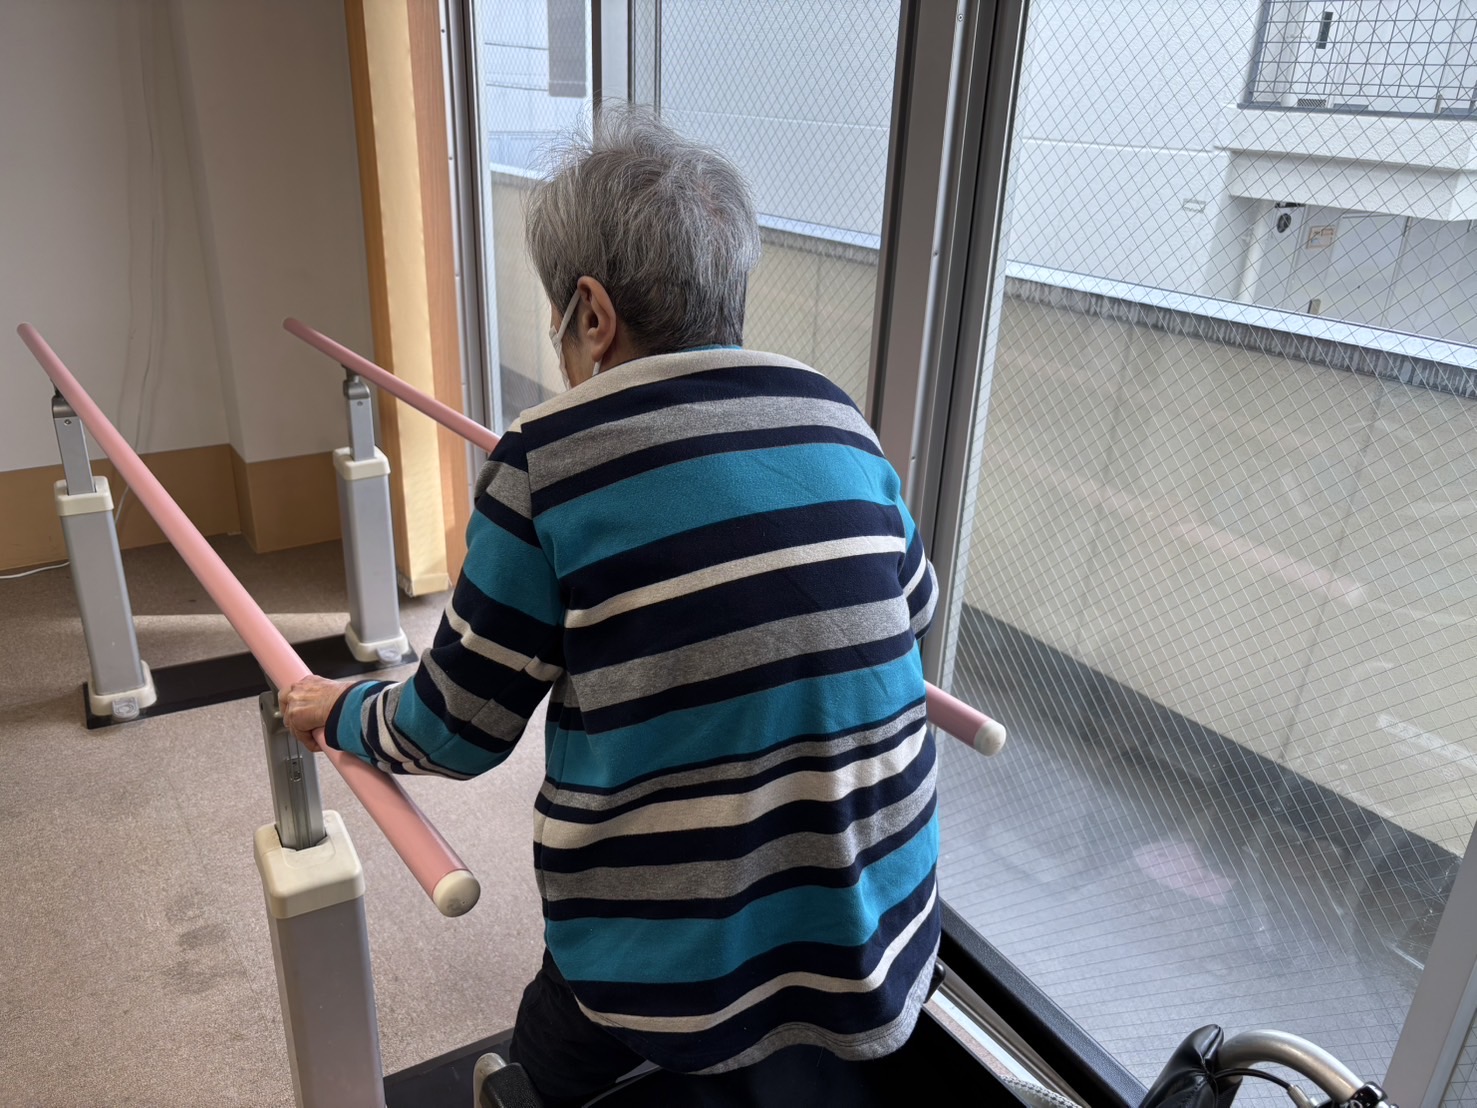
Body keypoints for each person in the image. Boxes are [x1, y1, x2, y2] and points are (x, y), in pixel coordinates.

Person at [281, 104, 939, 1108]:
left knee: (561, 1040)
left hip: (668, 967)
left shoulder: (548, 460)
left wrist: (339, 711)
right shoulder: (834, 414)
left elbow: (455, 730)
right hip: (877, 930)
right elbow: (911, 607)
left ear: (590, 314)